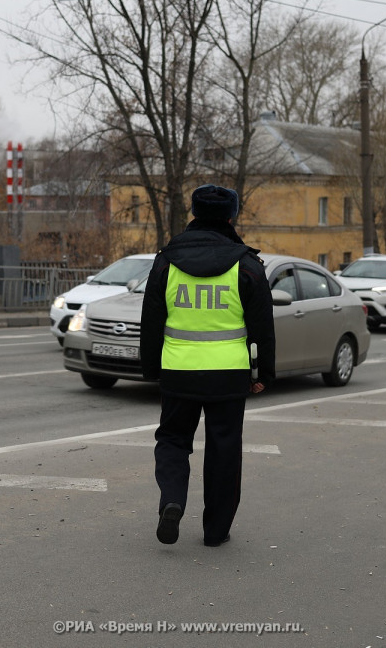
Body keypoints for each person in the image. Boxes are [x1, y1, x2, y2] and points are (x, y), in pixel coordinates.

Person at [140, 184, 275, 547]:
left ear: (195, 214)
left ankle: (172, 499)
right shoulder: (246, 265)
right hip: (228, 374)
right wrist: (262, 374)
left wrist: (151, 369)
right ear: (230, 216)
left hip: (179, 369)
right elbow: (263, 326)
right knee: (224, 449)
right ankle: (216, 532)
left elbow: (151, 319)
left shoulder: (166, 261)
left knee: (172, 440)